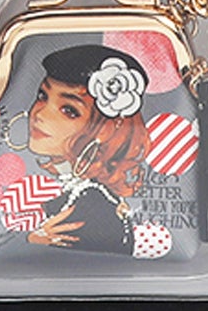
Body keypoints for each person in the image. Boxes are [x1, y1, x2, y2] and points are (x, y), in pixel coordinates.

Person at [23, 43, 150, 255]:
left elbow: (71, 260)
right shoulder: (83, 191)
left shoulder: (91, 202)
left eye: (69, 110)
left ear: (104, 130)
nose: (40, 114)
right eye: (42, 96)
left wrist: (30, 240)